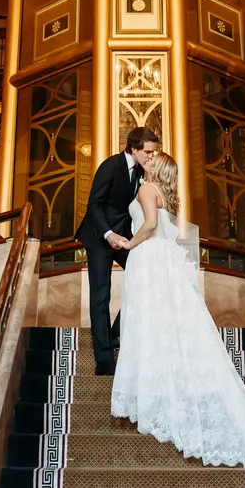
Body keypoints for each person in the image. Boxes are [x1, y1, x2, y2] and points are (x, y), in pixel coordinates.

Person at [111, 151, 245, 466]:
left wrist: (128, 243)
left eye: (151, 159)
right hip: (161, 258)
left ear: (156, 168)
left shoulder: (147, 189)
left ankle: (152, 384)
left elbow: (150, 225)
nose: (147, 160)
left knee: (149, 319)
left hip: (148, 257)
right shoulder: (163, 193)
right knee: (163, 319)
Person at [75, 126, 159, 375]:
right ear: (134, 149)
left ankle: (114, 336)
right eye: (148, 152)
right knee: (101, 295)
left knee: (146, 277)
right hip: (99, 237)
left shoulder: (142, 171)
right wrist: (108, 234)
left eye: (153, 152)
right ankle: (103, 359)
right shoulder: (110, 166)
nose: (151, 156)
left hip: (124, 238)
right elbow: (94, 204)